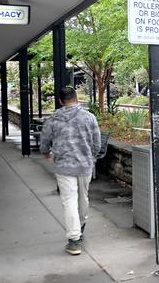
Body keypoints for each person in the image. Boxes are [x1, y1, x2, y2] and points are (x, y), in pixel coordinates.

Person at [40, 86, 101, 255]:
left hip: (64, 166)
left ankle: (74, 240)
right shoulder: (89, 117)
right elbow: (97, 143)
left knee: (69, 201)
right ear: (76, 98)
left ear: (60, 101)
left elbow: (44, 140)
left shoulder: (53, 119)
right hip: (85, 165)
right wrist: (91, 157)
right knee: (83, 198)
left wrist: (46, 152)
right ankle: (79, 227)